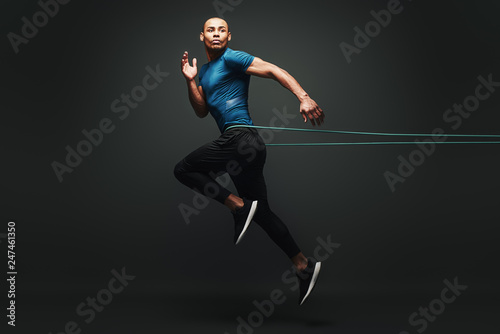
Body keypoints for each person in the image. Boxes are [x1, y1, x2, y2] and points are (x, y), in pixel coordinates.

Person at [174, 17, 325, 305]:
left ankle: (238, 206)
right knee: (263, 213)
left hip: (240, 139)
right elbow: (201, 111)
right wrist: (191, 81)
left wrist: (303, 97)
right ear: (202, 37)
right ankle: (303, 265)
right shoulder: (204, 71)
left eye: (221, 30)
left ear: (229, 36)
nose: (216, 34)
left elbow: (273, 69)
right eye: (210, 30)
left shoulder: (233, 58)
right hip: (245, 148)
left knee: (184, 169)